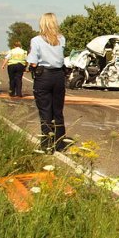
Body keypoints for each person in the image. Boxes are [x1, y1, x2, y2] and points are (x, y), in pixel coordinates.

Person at [27, 13, 68, 153]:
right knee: (58, 111)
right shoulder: (61, 39)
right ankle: (60, 143)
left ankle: (47, 144)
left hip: (43, 76)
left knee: (45, 111)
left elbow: (32, 62)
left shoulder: (36, 40)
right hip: (59, 76)